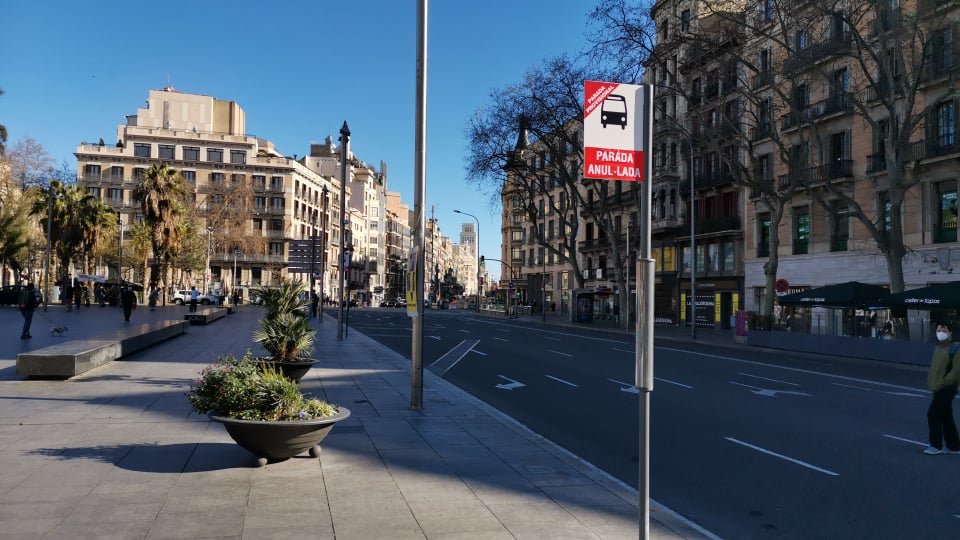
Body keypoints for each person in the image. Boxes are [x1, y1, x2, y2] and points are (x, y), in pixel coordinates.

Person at [924, 322, 960, 455]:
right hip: (939, 386)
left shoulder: (955, 348)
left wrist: (941, 383)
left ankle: (935, 445)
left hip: (947, 387)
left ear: (950, 332)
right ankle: (954, 446)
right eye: (939, 330)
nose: (940, 332)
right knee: (946, 415)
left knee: (933, 414)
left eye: (944, 330)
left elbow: (956, 371)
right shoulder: (938, 347)